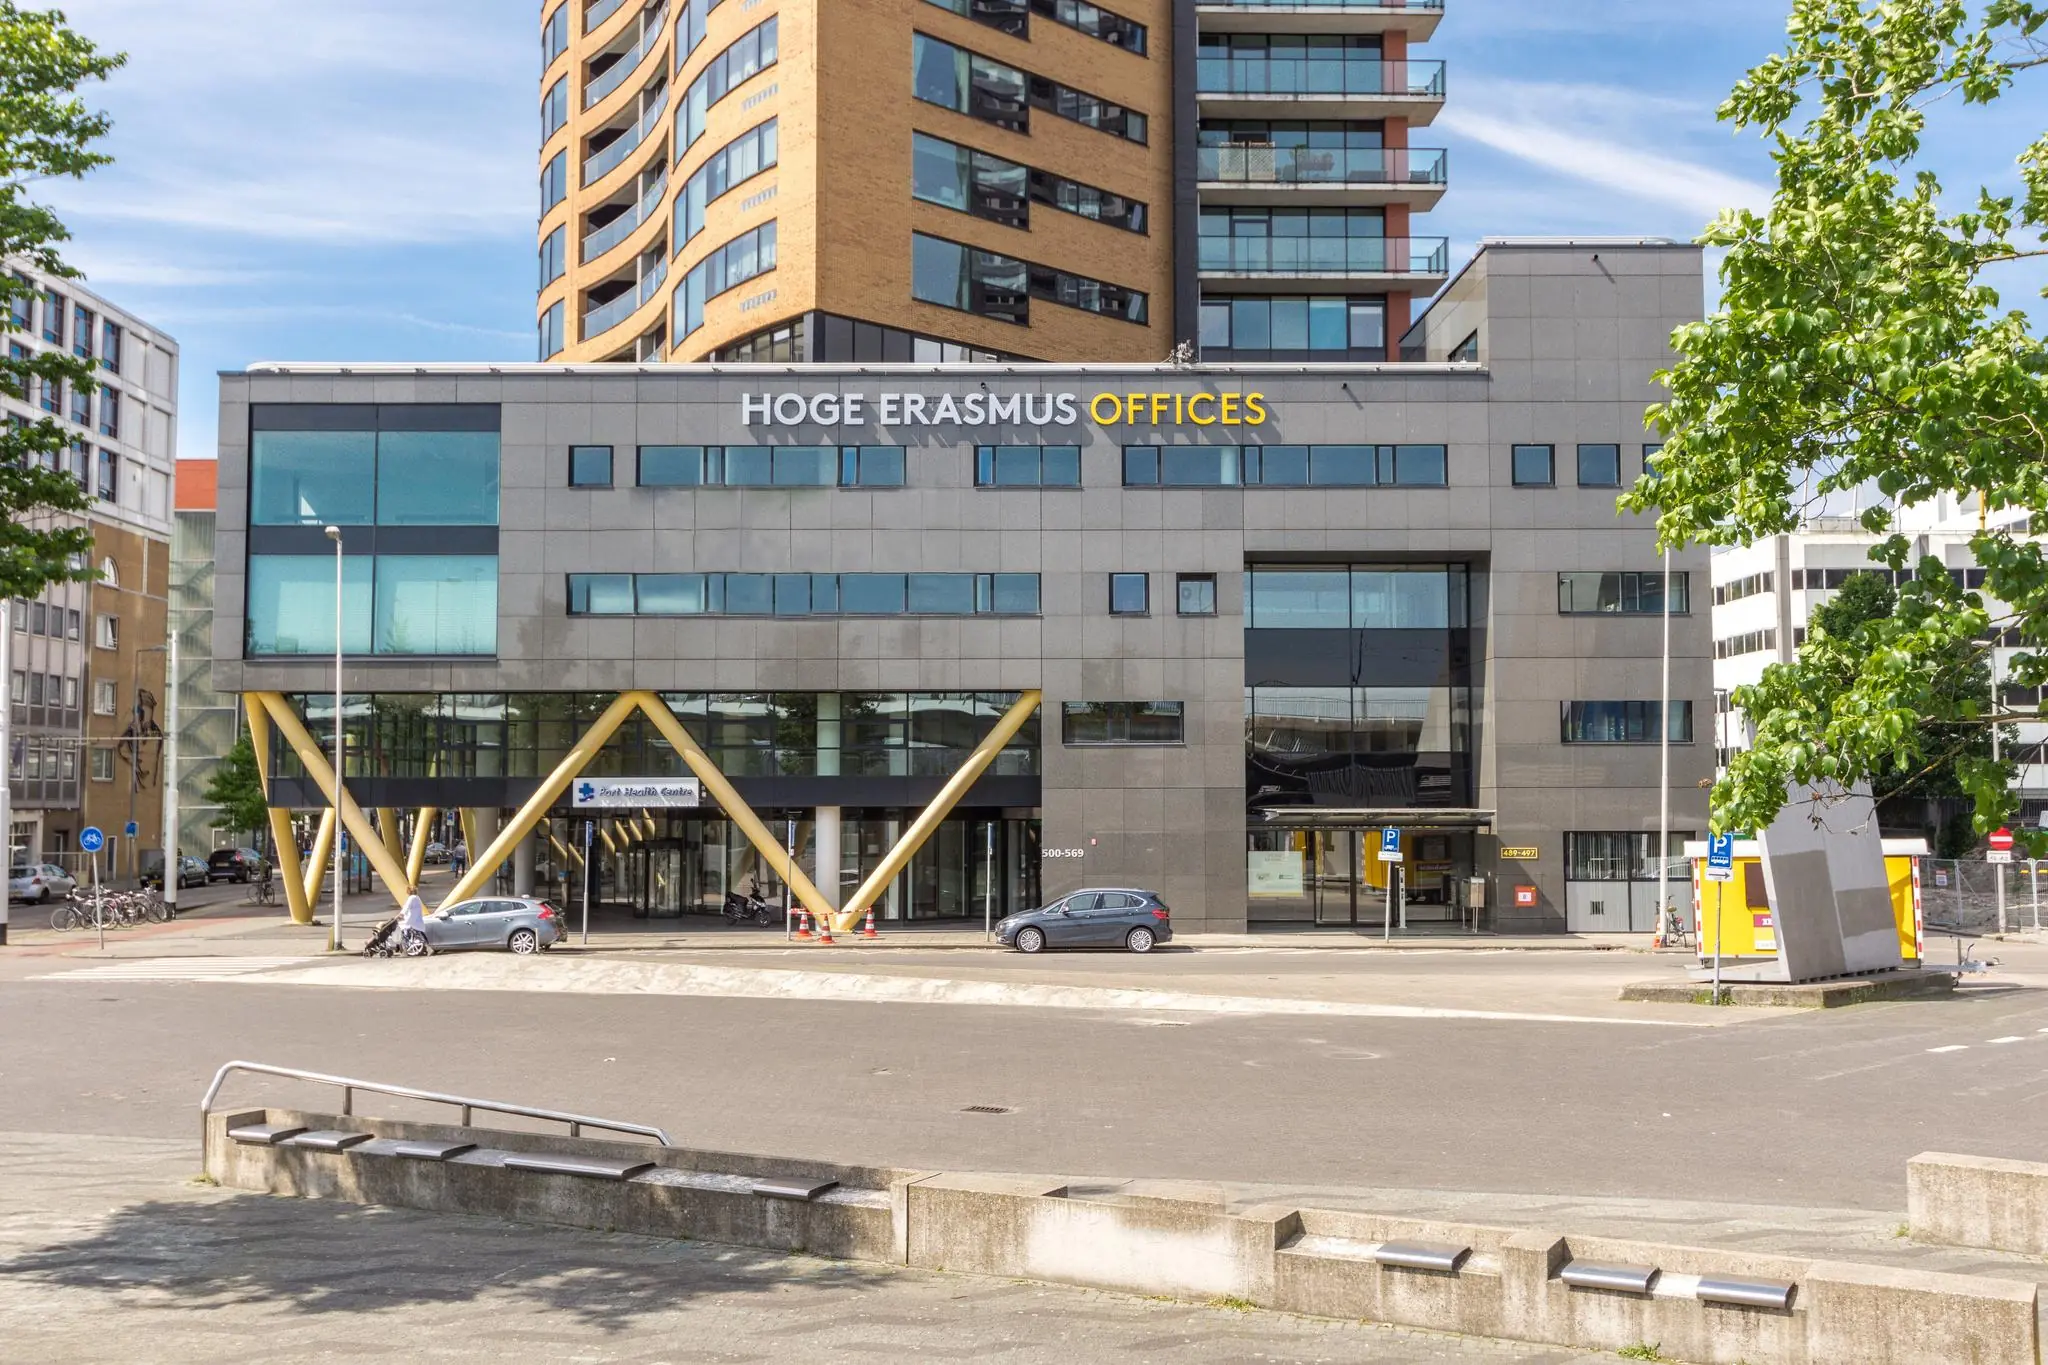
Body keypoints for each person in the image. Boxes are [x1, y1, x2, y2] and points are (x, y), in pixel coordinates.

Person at [402, 884, 427, 952]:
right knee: (417, 933)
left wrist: (401, 914)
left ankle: (406, 948)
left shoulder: (411, 898)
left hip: (411, 919)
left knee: (405, 931)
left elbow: (406, 907)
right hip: (417, 919)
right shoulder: (417, 897)